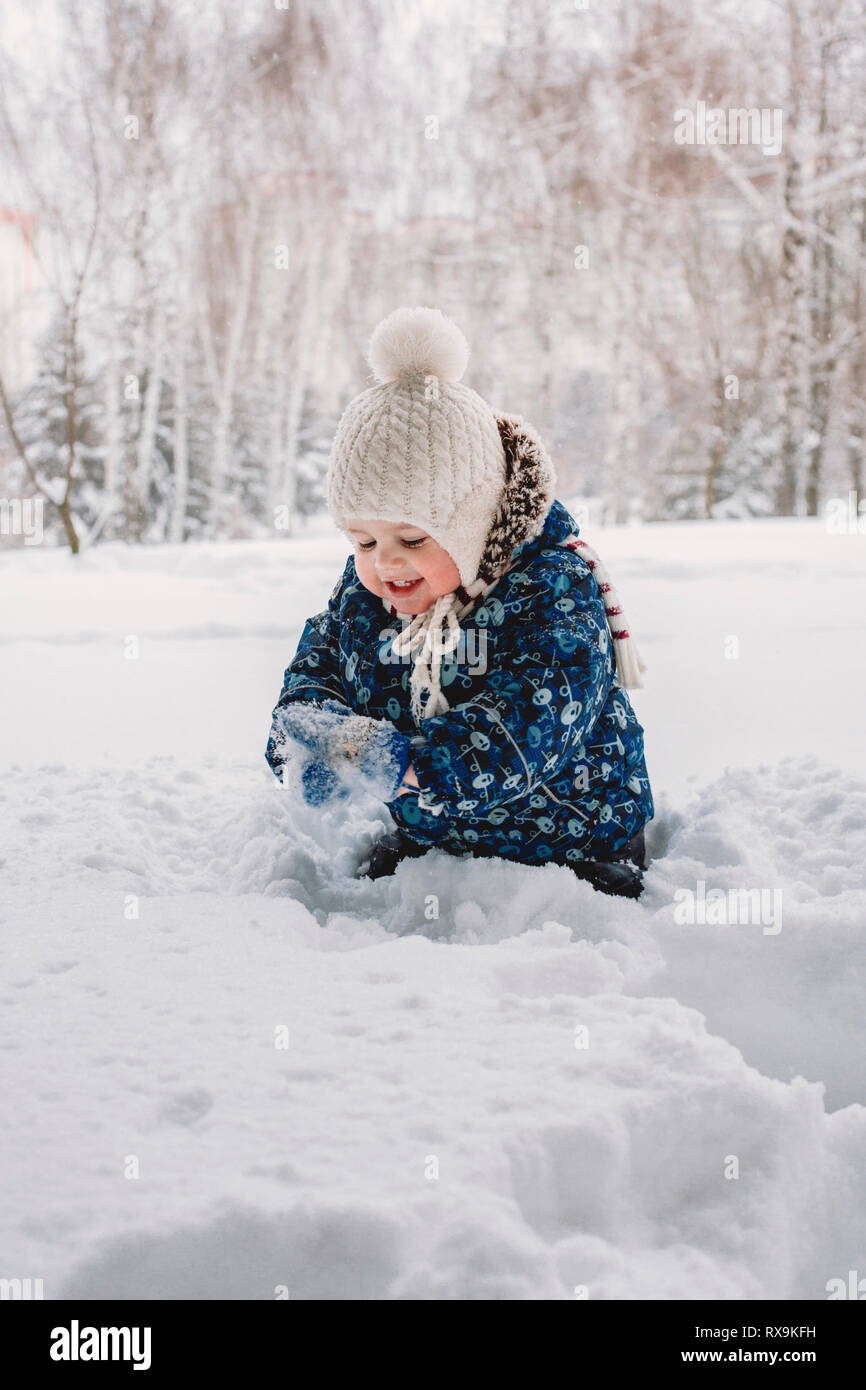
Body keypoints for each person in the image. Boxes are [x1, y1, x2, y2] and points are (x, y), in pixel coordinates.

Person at [265, 306, 654, 898]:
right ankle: (433, 842)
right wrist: (312, 731)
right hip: (436, 831)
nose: (385, 562)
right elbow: (324, 658)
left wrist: (410, 768)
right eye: (363, 541)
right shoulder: (370, 590)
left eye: (412, 539)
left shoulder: (551, 589)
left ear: (472, 527)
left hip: (575, 834)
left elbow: (535, 719)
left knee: (587, 903)